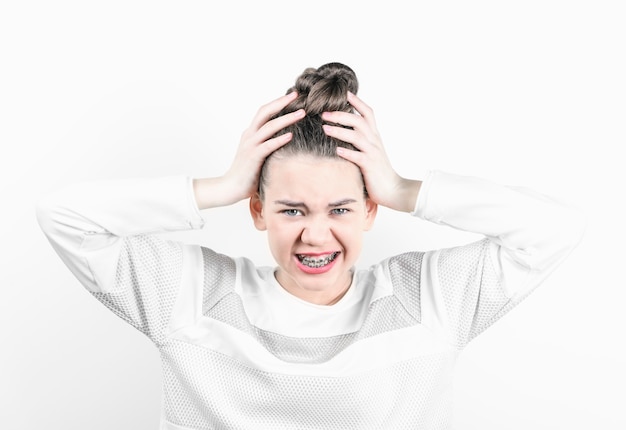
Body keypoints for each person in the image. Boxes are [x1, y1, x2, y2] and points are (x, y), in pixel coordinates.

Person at [37, 62, 585, 429]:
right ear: (258, 211)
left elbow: (554, 230)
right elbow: (63, 216)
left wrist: (402, 189)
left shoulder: (429, 299)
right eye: (292, 210)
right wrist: (224, 186)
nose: (315, 234)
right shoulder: (190, 295)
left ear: (370, 210)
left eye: (340, 209)